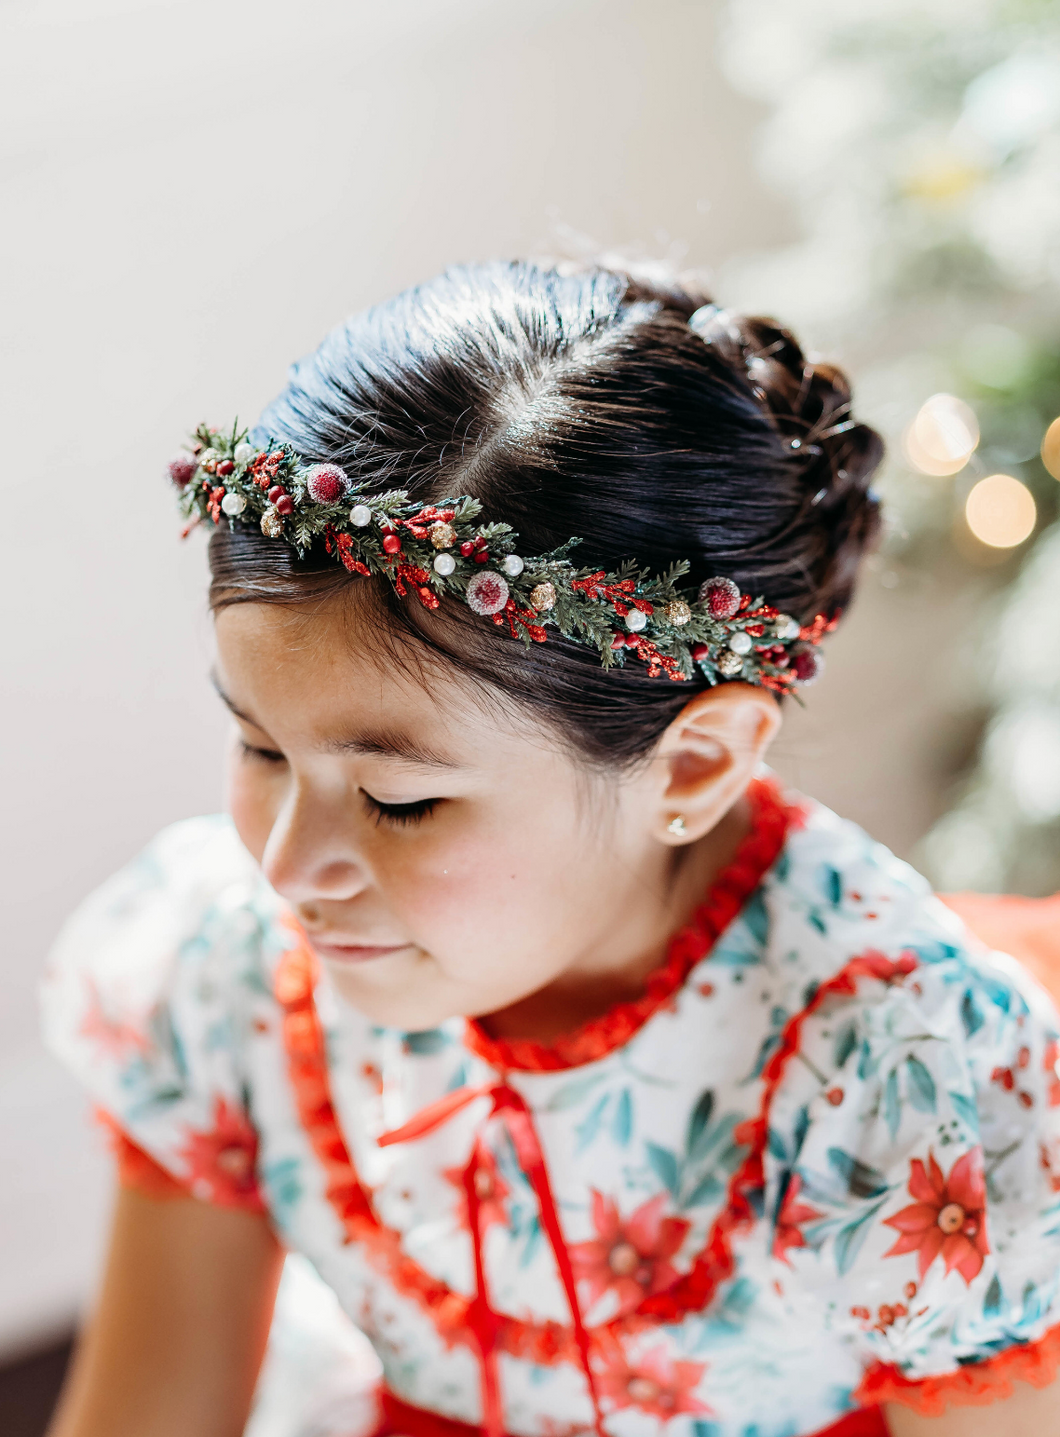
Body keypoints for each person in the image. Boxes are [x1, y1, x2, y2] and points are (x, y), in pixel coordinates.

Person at [41, 262, 1060, 1437]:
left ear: (690, 766)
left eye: (399, 800)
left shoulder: (901, 1088)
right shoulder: (226, 968)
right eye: (260, 748)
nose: (284, 865)